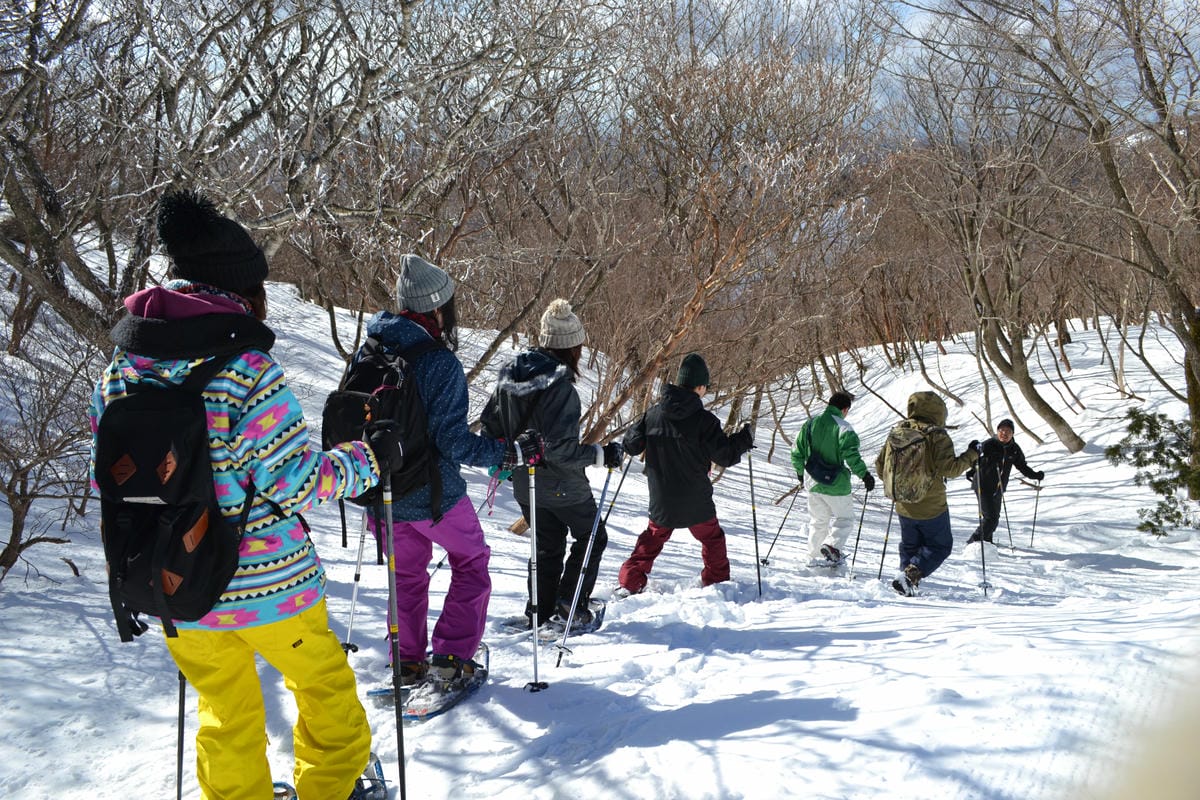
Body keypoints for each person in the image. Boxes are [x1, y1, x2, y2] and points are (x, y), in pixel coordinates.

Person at [89, 189, 391, 799]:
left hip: (178, 583)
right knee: (326, 698)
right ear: (241, 289)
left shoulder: (124, 368)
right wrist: (366, 462)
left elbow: (110, 478)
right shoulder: (247, 370)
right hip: (271, 587)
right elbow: (297, 481)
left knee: (225, 715)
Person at [360, 253, 527, 685]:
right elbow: (453, 442)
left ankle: (408, 659)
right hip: (434, 497)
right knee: (472, 562)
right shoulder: (439, 361)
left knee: (407, 575)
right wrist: (506, 454)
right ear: (438, 308)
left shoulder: (371, 348)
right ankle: (451, 658)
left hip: (380, 492)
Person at [480, 298, 621, 629]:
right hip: (562, 484)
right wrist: (601, 454)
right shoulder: (560, 388)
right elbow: (558, 449)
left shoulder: (510, 375)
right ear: (571, 346)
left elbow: (489, 426)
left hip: (523, 482)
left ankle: (540, 610)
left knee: (547, 546)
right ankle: (568, 608)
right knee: (592, 538)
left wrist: (513, 453)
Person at [616, 353, 754, 594]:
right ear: (699, 387)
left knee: (652, 538)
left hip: (662, 498)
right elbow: (726, 456)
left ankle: (630, 580)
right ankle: (717, 581)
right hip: (695, 499)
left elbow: (631, 445)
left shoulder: (653, 414)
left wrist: (638, 432)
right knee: (712, 539)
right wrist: (744, 439)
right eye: (705, 387)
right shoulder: (704, 421)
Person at [876, 391, 979, 596]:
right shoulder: (936, 435)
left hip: (903, 502)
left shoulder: (898, 431)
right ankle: (908, 578)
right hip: (931, 505)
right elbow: (950, 469)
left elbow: (880, 466)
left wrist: (902, 484)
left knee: (910, 546)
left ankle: (905, 584)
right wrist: (972, 453)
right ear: (939, 411)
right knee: (940, 546)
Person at [789, 390, 875, 566]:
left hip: (812, 481)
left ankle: (814, 557)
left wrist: (800, 473)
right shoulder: (843, 427)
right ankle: (832, 547)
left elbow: (796, 451)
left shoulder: (810, 423)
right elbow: (851, 456)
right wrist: (864, 475)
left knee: (818, 521)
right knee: (845, 518)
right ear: (845, 409)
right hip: (836, 484)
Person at [965, 418, 1045, 544]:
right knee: (991, 519)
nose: (1004, 433)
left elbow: (1022, 466)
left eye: (1008, 431)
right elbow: (975, 459)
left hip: (999, 489)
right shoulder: (988, 444)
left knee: (993, 519)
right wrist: (973, 470)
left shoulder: (1014, 449)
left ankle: (986, 544)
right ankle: (973, 542)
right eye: (1001, 430)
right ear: (997, 431)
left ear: (1012, 434)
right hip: (983, 486)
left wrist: (1035, 475)